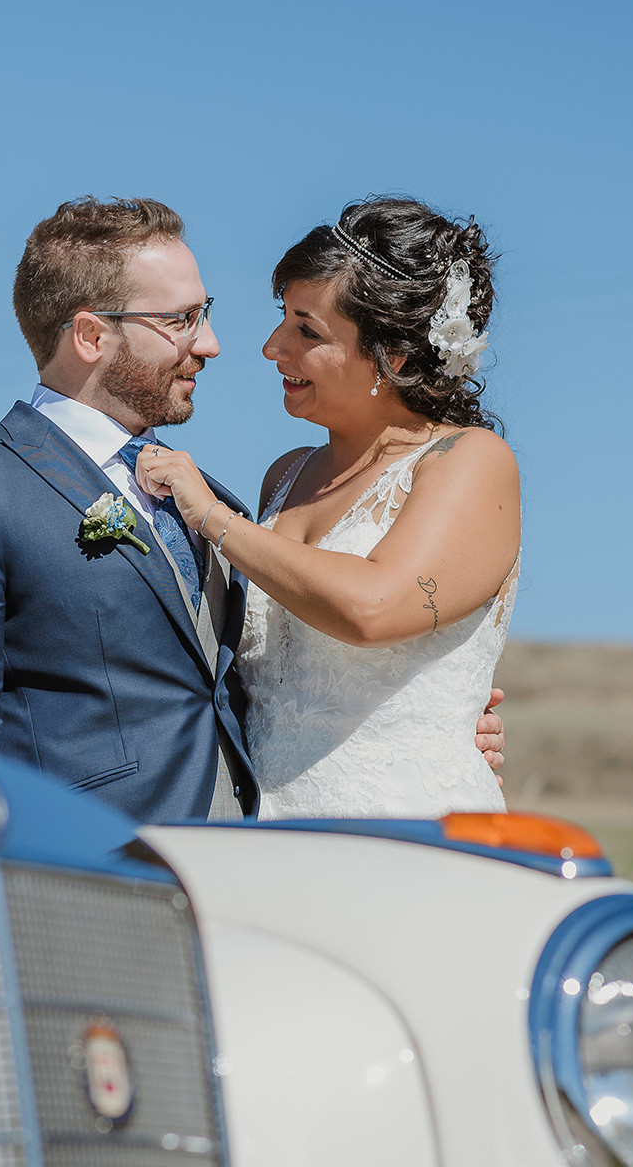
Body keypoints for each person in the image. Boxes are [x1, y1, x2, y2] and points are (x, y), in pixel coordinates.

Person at [0, 196, 504, 823]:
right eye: (181, 319)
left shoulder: (213, 500)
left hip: (263, 855)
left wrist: (431, 710)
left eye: (206, 314)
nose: (214, 344)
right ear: (92, 335)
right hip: (86, 870)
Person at [136, 197, 518, 819]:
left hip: (403, 829)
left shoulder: (471, 461)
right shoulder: (285, 477)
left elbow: (373, 607)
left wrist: (212, 518)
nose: (270, 347)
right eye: (281, 318)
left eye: (306, 331)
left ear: (393, 356)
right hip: (268, 830)